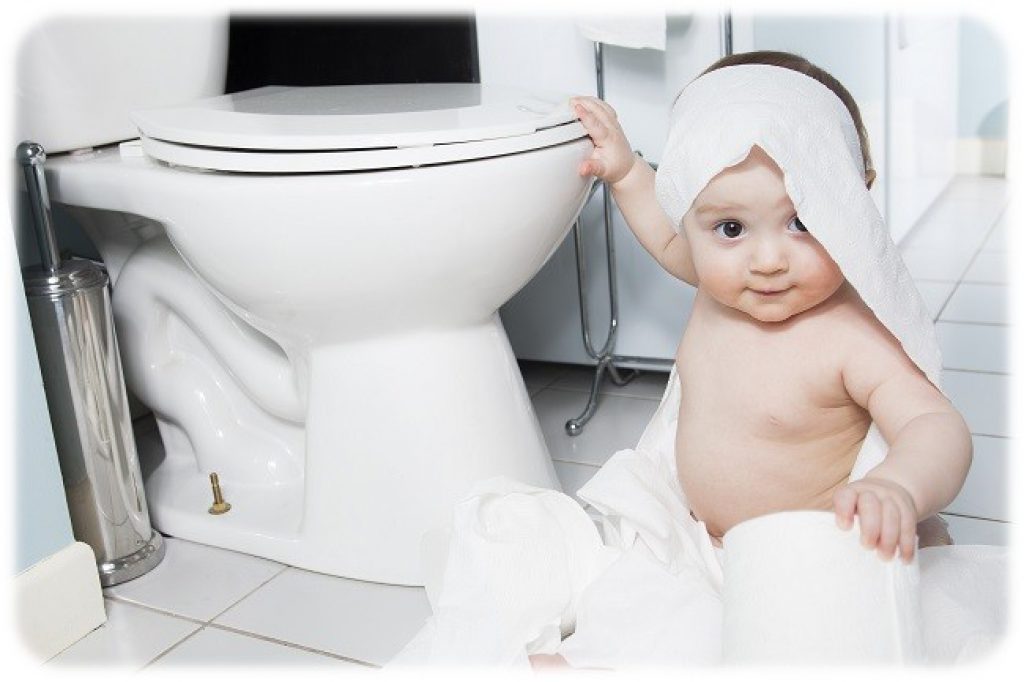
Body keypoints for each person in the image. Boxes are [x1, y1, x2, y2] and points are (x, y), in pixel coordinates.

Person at [568, 51, 970, 565]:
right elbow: (664, 234)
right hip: (704, 542)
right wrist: (625, 171)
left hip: (810, 560)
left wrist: (899, 487)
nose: (768, 261)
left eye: (802, 222)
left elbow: (935, 426)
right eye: (731, 228)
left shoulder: (850, 333)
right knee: (597, 581)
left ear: (854, 204)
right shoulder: (720, 283)